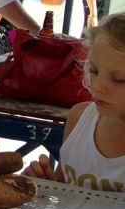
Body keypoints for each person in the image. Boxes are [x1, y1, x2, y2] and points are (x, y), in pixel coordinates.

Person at [24, 12, 125, 192]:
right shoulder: (79, 118)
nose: (98, 86)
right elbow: (65, 191)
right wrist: (47, 183)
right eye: (93, 71)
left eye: (119, 79)